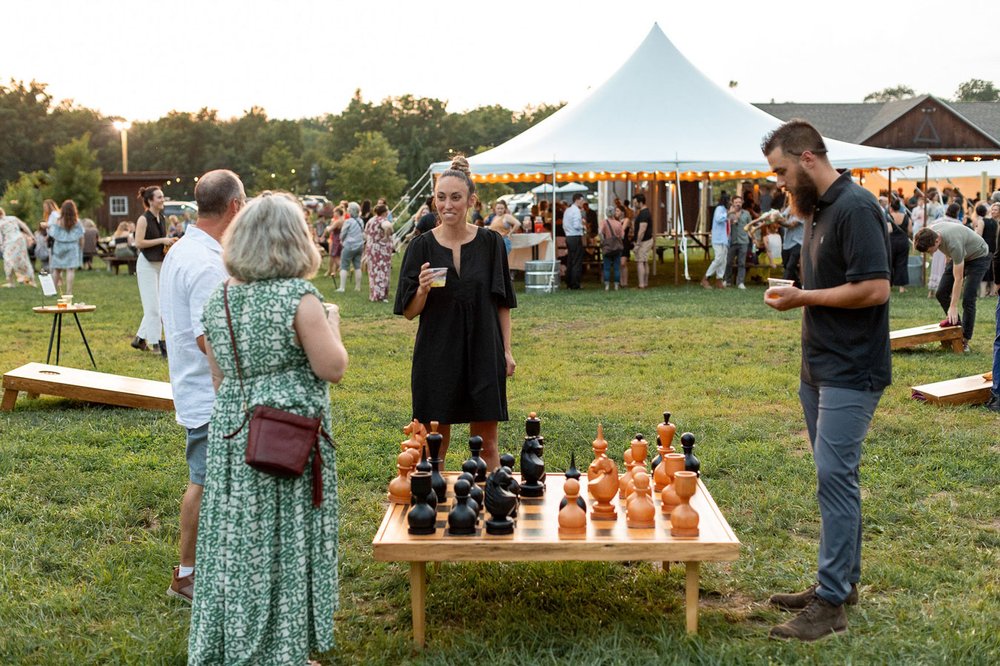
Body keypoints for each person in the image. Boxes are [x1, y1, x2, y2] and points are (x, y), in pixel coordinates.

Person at [188, 191, 347, 664]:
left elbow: (219, 374)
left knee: (236, 542)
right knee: (285, 542)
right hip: (289, 437)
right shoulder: (300, 297)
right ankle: (283, 650)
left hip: (235, 437)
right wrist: (333, 324)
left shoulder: (220, 299)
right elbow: (331, 367)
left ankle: (233, 641)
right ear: (294, 240)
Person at [762, 120, 891, 642]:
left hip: (851, 370)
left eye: (782, 171)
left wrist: (804, 299)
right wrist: (800, 291)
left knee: (833, 481)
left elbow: (876, 289)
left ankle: (830, 602)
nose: (780, 183)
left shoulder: (857, 207)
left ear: (808, 159)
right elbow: (837, 283)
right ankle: (842, 582)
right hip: (818, 368)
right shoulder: (817, 211)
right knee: (836, 479)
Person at [393, 155, 516, 470]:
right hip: (437, 353)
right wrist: (420, 290)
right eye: (441, 197)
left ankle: (491, 509)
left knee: (487, 445)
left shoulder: (491, 244)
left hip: (483, 351)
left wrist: (506, 351)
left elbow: (502, 302)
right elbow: (409, 313)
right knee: (432, 447)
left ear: (471, 200)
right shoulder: (420, 247)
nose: (448, 204)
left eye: (456, 197)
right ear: (434, 201)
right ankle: (432, 510)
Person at [159, 169, 246, 604]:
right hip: (210, 393)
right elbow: (207, 337)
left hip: (194, 386)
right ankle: (188, 575)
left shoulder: (185, 248)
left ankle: (199, 567)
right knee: (205, 482)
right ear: (234, 206)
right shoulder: (207, 262)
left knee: (207, 480)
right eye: (243, 203)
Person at [914, 221, 990, 352]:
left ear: (937, 240)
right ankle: (956, 326)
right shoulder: (931, 232)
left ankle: (964, 339)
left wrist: (953, 306)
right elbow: (947, 252)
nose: (930, 253)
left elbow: (958, 278)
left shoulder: (954, 244)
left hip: (978, 257)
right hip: (959, 255)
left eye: (929, 250)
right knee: (941, 292)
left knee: (968, 298)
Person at [133, 186, 177, 355]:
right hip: (146, 265)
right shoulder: (143, 219)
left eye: (162, 196)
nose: (162, 199)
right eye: (159, 197)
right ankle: (155, 344)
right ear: (150, 200)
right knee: (153, 308)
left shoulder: (162, 217)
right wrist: (162, 239)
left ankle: (139, 338)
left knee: (158, 305)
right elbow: (138, 243)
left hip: (160, 263)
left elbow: (161, 241)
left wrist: (168, 242)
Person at [49, 199, 84, 295]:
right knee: (70, 269)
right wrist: (81, 247)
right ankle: (69, 292)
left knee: (56, 269)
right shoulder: (77, 222)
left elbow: (52, 233)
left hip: (59, 246)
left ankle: (53, 291)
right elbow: (81, 236)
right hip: (72, 246)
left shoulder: (58, 221)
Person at [364, 203, 394, 302]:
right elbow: (388, 226)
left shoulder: (370, 220)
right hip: (381, 251)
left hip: (371, 249)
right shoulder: (383, 220)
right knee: (382, 271)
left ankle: (373, 295)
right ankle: (381, 296)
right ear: (385, 212)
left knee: (373, 272)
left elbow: (365, 234)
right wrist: (386, 236)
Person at [0, 209, 36, 287]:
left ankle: (11, 282)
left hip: (10, 242)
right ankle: (32, 280)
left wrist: (1, 246)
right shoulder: (13, 218)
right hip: (20, 240)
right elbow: (24, 226)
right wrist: (32, 236)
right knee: (24, 259)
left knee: (8, 260)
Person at [702, 193, 730, 288]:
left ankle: (719, 279)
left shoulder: (725, 210)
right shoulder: (719, 209)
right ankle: (706, 277)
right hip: (718, 238)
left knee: (724, 260)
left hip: (724, 239)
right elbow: (718, 219)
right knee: (718, 258)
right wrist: (729, 214)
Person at [724, 195, 752, 289]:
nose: (738, 204)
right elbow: (726, 224)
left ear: (742, 203)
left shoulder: (746, 213)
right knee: (728, 262)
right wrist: (732, 214)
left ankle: (740, 282)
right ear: (732, 203)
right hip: (732, 241)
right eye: (736, 202)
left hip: (744, 241)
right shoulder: (730, 213)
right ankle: (727, 280)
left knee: (742, 263)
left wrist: (753, 237)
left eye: (739, 202)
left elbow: (750, 225)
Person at [338, 202, 365, 292]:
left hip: (349, 246)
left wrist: (341, 240)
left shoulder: (348, 221)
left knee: (344, 266)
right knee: (357, 266)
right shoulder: (361, 221)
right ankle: (357, 287)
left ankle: (342, 287)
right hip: (359, 246)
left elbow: (343, 234)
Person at [779, 193, 805, 284]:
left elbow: (791, 225)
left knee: (790, 266)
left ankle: (782, 286)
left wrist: (778, 221)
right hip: (787, 243)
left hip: (798, 242)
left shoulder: (802, 211)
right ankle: (797, 285)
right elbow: (781, 216)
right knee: (786, 265)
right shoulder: (790, 208)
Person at [887, 199, 911, 293]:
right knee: (902, 264)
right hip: (903, 242)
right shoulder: (906, 217)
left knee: (889, 263)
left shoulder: (889, 217)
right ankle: (902, 288)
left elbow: (889, 230)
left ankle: (889, 285)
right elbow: (910, 231)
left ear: (891, 208)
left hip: (891, 242)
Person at [562, 193, 585, 289]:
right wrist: (583, 226)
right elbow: (576, 225)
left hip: (568, 236)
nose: (583, 202)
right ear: (577, 200)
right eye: (582, 200)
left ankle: (569, 282)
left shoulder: (567, 210)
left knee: (570, 260)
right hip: (575, 236)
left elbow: (564, 224)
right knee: (576, 261)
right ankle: (575, 283)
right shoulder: (576, 211)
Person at [599, 205, 625, 291]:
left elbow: (600, 232)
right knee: (617, 267)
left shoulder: (604, 222)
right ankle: (616, 286)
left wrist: (603, 240)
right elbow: (623, 236)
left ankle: (607, 286)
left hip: (607, 247)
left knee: (606, 267)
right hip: (617, 247)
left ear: (606, 213)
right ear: (614, 213)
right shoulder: (618, 223)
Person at [632, 193, 654, 289]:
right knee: (644, 261)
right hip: (647, 239)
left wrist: (637, 243)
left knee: (640, 261)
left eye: (635, 203)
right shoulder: (644, 212)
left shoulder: (644, 214)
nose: (634, 205)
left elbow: (642, 229)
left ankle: (641, 284)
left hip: (644, 241)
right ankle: (645, 283)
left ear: (640, 202)